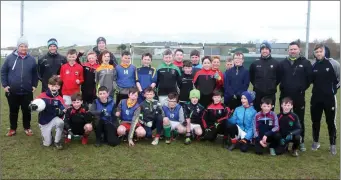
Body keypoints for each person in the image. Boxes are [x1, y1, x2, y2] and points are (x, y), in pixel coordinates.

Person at [278, 41, 312, 151]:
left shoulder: (305, 63)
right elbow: (278, 78)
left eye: (295, 49)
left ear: (299, 50)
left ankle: (300, 141)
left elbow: (309, 79)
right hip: (285, 96)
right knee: (284, 119)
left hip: (299, 96)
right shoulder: (283, 63)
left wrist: (301, 89)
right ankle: (284, 141)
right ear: (288, 50)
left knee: (300, 119)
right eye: (291, 49)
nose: (293, 51)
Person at [1, 36, 38, 136]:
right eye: (21, 46)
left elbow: (35, 74)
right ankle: (13, 129)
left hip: (27, 91)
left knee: (27, 111)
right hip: (12, 91)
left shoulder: (31, 59)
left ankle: (27, 128)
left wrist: (34, 85)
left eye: (25, 46)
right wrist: (5, 85)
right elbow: (3, 72)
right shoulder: (10, 58)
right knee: (13, 111)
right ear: (18, 47)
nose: (23, 48)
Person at [310, 43, 340, 155]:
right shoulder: (313, 65)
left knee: (331, 121)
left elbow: (339, 78)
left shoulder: (333, 63)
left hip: (329, 98)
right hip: (316, 98)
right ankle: (316, 142)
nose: (318, 53)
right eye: (316, 52)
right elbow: (311, 80)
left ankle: (332, 144)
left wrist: (332, 90)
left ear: (324, 52)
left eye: (320, 51)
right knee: (315, 121)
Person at [29, 76, 65, 149]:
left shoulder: (59, 98)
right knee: (47, 144)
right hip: (44, 121)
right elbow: (33, 104)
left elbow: (64, 109)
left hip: (53, 118)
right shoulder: (42, 95)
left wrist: (61, 111)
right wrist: (32, 106)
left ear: (59, 87)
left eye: (56, 86)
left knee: (60, 122)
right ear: (48, 85)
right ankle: (48, 136)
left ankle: (57, 141)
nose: (54, 88)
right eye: (52, 86)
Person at [249, 41, 280, 112]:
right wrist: (257, 85)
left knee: (270, 114)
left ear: (269, 50)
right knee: (257, 113)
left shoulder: (276, 63)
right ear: (260, 51)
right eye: (262, 49)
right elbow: (251, 77)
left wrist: (272, 85)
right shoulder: (255, 63)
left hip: (270, 94)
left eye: (266, 49)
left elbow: (279, 77)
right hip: (257, 94)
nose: (264, 51)